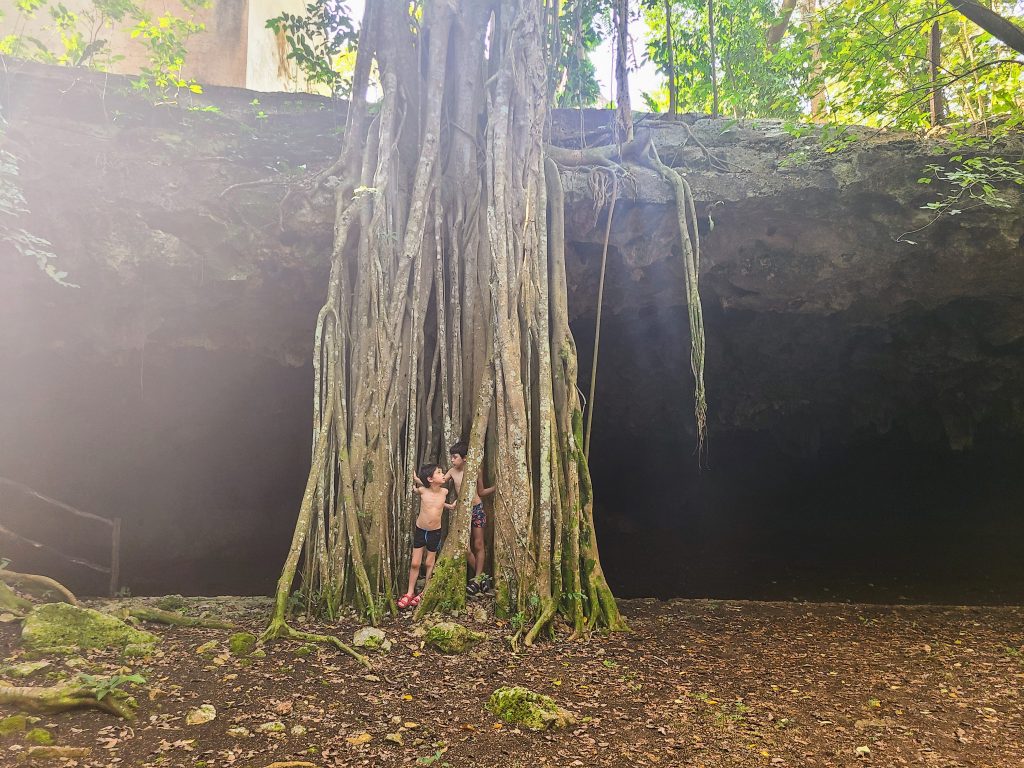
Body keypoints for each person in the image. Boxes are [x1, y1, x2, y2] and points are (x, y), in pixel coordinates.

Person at [399, 463, 455, 609]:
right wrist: (416, 479)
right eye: (439, 472)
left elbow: (440, 504)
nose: (443, 474)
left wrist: (450, 507)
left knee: (430, 563)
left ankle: (425, 592)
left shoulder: (444, 492)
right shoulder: (422, 491)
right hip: (421, 531)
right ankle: (410, 592)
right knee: (415, 563)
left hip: (435, 532)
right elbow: (418, 488)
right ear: (430, 479)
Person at [445, 441, 495, 595]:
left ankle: (477, 580)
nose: (452, 460)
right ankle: (483, 578)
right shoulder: (452, 472)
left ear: (465, 458)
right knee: (464, 548)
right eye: (451, 457)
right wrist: (421, 482)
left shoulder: (475, 471)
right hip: (462, 511)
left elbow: (481, 491)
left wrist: (497, 487)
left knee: (478, 544)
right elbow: (438, 482)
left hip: (477, 509)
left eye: (455, 457)